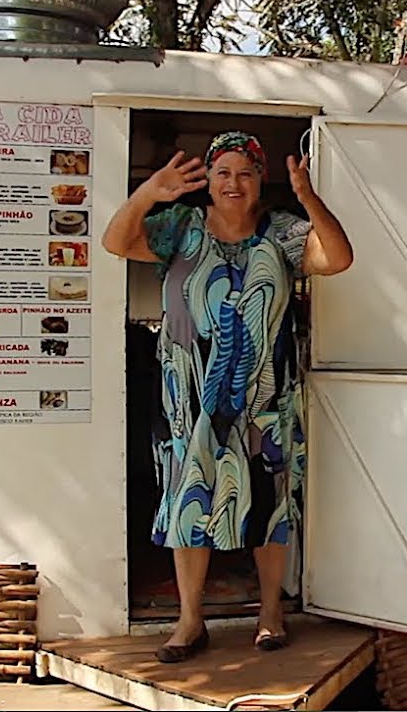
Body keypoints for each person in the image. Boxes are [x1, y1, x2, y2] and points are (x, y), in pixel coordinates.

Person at [103, 131, 353, 662]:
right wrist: (150, 191)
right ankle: (190, 622)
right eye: (223, 172)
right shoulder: (181, 228)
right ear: (209, 182)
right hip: (187, 397)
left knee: (268, 504)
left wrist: (308, 197)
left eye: (245, 172)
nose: (233, 182)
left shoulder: (282, 233)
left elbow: (336, 258)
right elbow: (116, 242)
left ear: (260, 180)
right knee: (187, 502)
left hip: (265, 399)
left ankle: (269, 612)